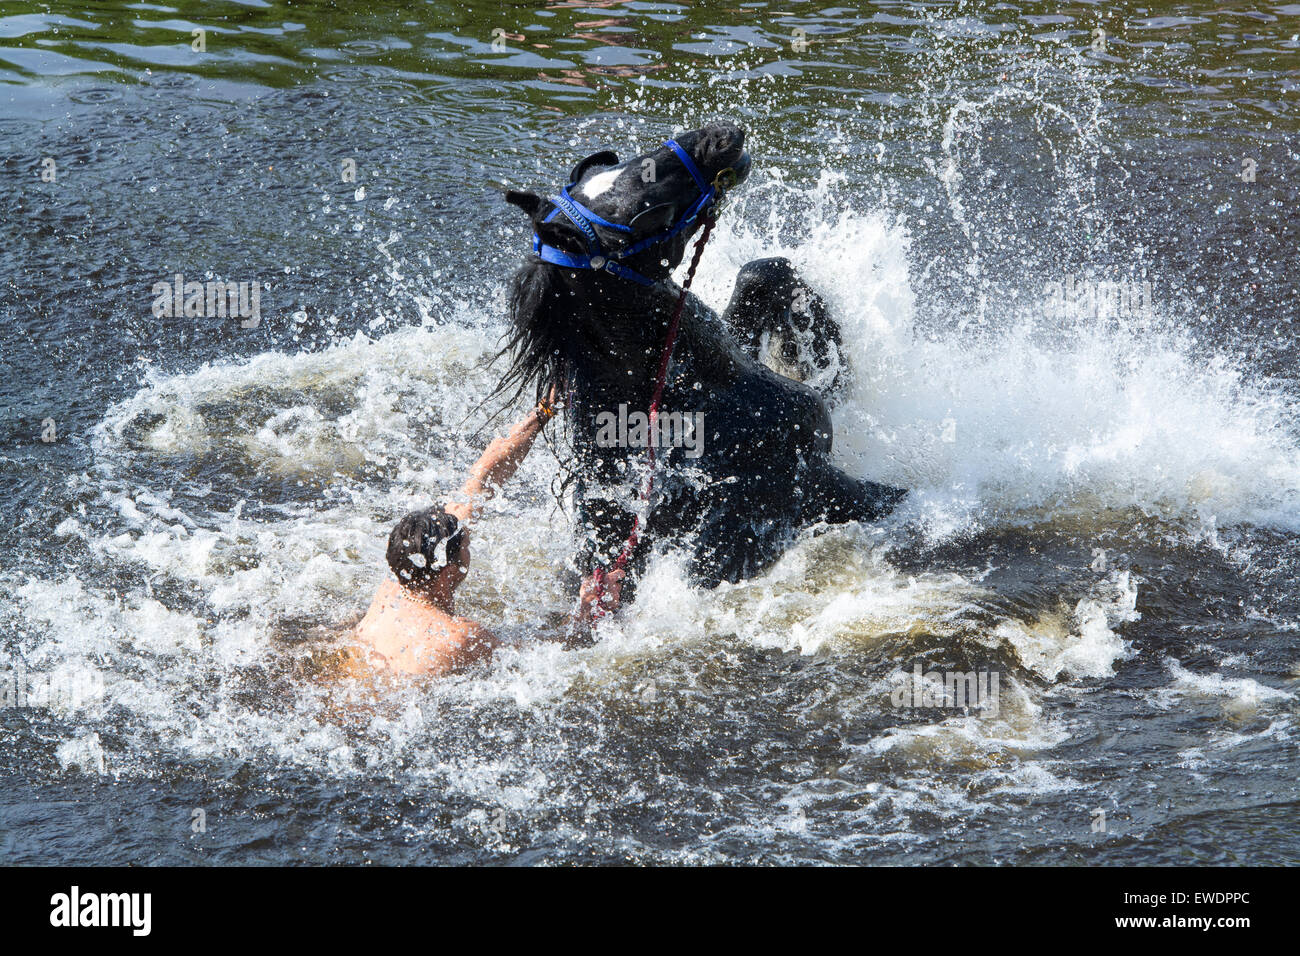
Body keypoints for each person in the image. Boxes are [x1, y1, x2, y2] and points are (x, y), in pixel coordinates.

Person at [356, 390, 622, 676]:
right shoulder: (456, 638)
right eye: (466, 545)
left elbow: (480, 479)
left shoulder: (393, 589)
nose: (468, 543)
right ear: (449, 572)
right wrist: (586, 612)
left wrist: (544, 410)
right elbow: (555, 652)